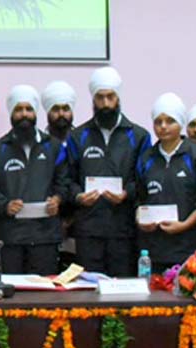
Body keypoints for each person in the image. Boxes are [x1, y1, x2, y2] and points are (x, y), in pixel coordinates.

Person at [66, 67, 151, 276]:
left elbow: (145, 179)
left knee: (122, 288)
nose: (105, 104)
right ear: (93, 100)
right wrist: (78, 196)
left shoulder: (139, 136)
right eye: (100, 98)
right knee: (88, 288)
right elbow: (67, 178)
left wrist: (127, 193)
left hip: (124, 229)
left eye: (110, 97)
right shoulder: (78, 136)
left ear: (118, 98)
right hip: (88, 230)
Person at [0, 85, 68, 275]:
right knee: (10, 290)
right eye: (19, 109)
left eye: (29, 109)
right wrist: (4, 205)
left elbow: (64, 181)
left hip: (45, 237)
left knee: (44, 290)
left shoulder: (54, 147)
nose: (24, 114)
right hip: (9, 238)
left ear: (35, 113)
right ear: (11, 113)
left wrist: (58, 199)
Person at [135, 93, 196, 272]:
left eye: (170, 121)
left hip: (189, 248)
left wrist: (185, 225)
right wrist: (140, 218)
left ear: (181, 123)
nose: (163, 126)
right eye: (158, 121)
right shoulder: (146, 158)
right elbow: (139, 198)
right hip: (153, 249)